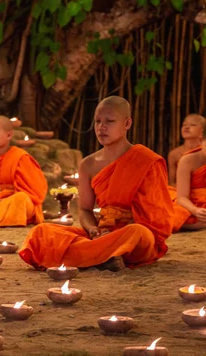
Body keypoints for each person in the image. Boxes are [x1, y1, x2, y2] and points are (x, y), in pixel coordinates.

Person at [19, 96, 174, 271]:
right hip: (101, 233)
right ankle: (104, 257)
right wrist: (93, 230)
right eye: (97, 122)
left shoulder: (146, 161)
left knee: (137, 233)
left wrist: (120, 229)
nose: (102, 127)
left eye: (110, 121)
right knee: (40, 233)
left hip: (133, 237)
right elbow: (85, 210)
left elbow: (158, 218)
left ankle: (91, 256)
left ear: (127, 123)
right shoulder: (88, 164)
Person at [171, 124, 206, 231]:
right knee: (169, 212)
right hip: (190, 204)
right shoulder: (187, 161)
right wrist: (195, 210)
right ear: (201, 140)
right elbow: (182, 197)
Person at [167, 114, 205, 186]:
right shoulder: (174, 154)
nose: (186, 127)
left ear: (203, 130)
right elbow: (172, 182)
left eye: (193, 125)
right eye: (184, 125)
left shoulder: (204, 152)